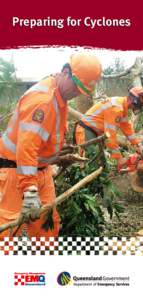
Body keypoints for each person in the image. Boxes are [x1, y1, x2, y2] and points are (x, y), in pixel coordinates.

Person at [0, 52, 102, 238]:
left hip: (40, 171)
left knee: (47, 224)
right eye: (77, 86)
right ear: (65, 71)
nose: (77, 93)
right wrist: (29, 190)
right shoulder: (42, 101)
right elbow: (27, 148)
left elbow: (44, 141)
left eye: (82, 90)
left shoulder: (59, 96)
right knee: (12, 232)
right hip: (17, 174)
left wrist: (58, 159)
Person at [75, 87, 143, 170]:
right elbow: (110, 135)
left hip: (95, 132)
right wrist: (119, 158)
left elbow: (127, 127)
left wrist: (137, 145)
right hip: (86, 130)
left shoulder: (122, 108)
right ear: (134, 101)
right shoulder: (116, 108)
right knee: (90, 164)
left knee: (100, 164)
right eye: (140, 105)